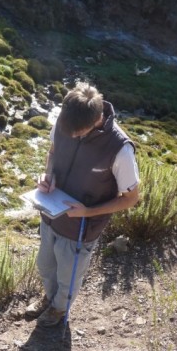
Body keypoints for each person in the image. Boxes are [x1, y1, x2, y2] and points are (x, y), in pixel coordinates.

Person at [26, 82, 140, 327]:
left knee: (68, 278)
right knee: (45, 266)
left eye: (77, 133)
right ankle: (49, 297)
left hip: (81, 229)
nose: (72, 136)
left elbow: (131, 198)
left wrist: (88, 212)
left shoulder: (120, 149)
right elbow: (53, 152)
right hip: (50, 214)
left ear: (97, 119)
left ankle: (58, 310)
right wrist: (48, 176)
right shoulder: (65, 122)